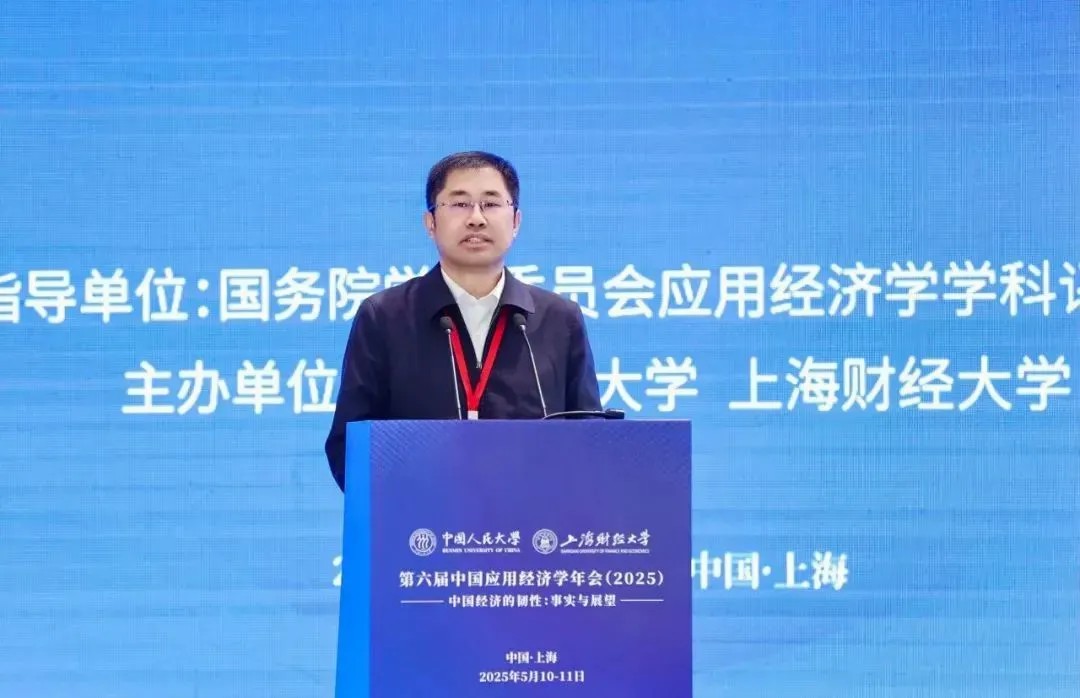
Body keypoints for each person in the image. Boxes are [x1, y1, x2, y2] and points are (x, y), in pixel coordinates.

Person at [324, 151, 602, 491]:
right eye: (459, 204)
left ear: (516, 221)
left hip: (534, 518)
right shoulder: (384, 316)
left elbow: (589, 438)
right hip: (422, 519)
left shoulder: (558, 319)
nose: (476, 219)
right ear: (430, 223)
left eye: (491, 203)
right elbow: (349, 445)